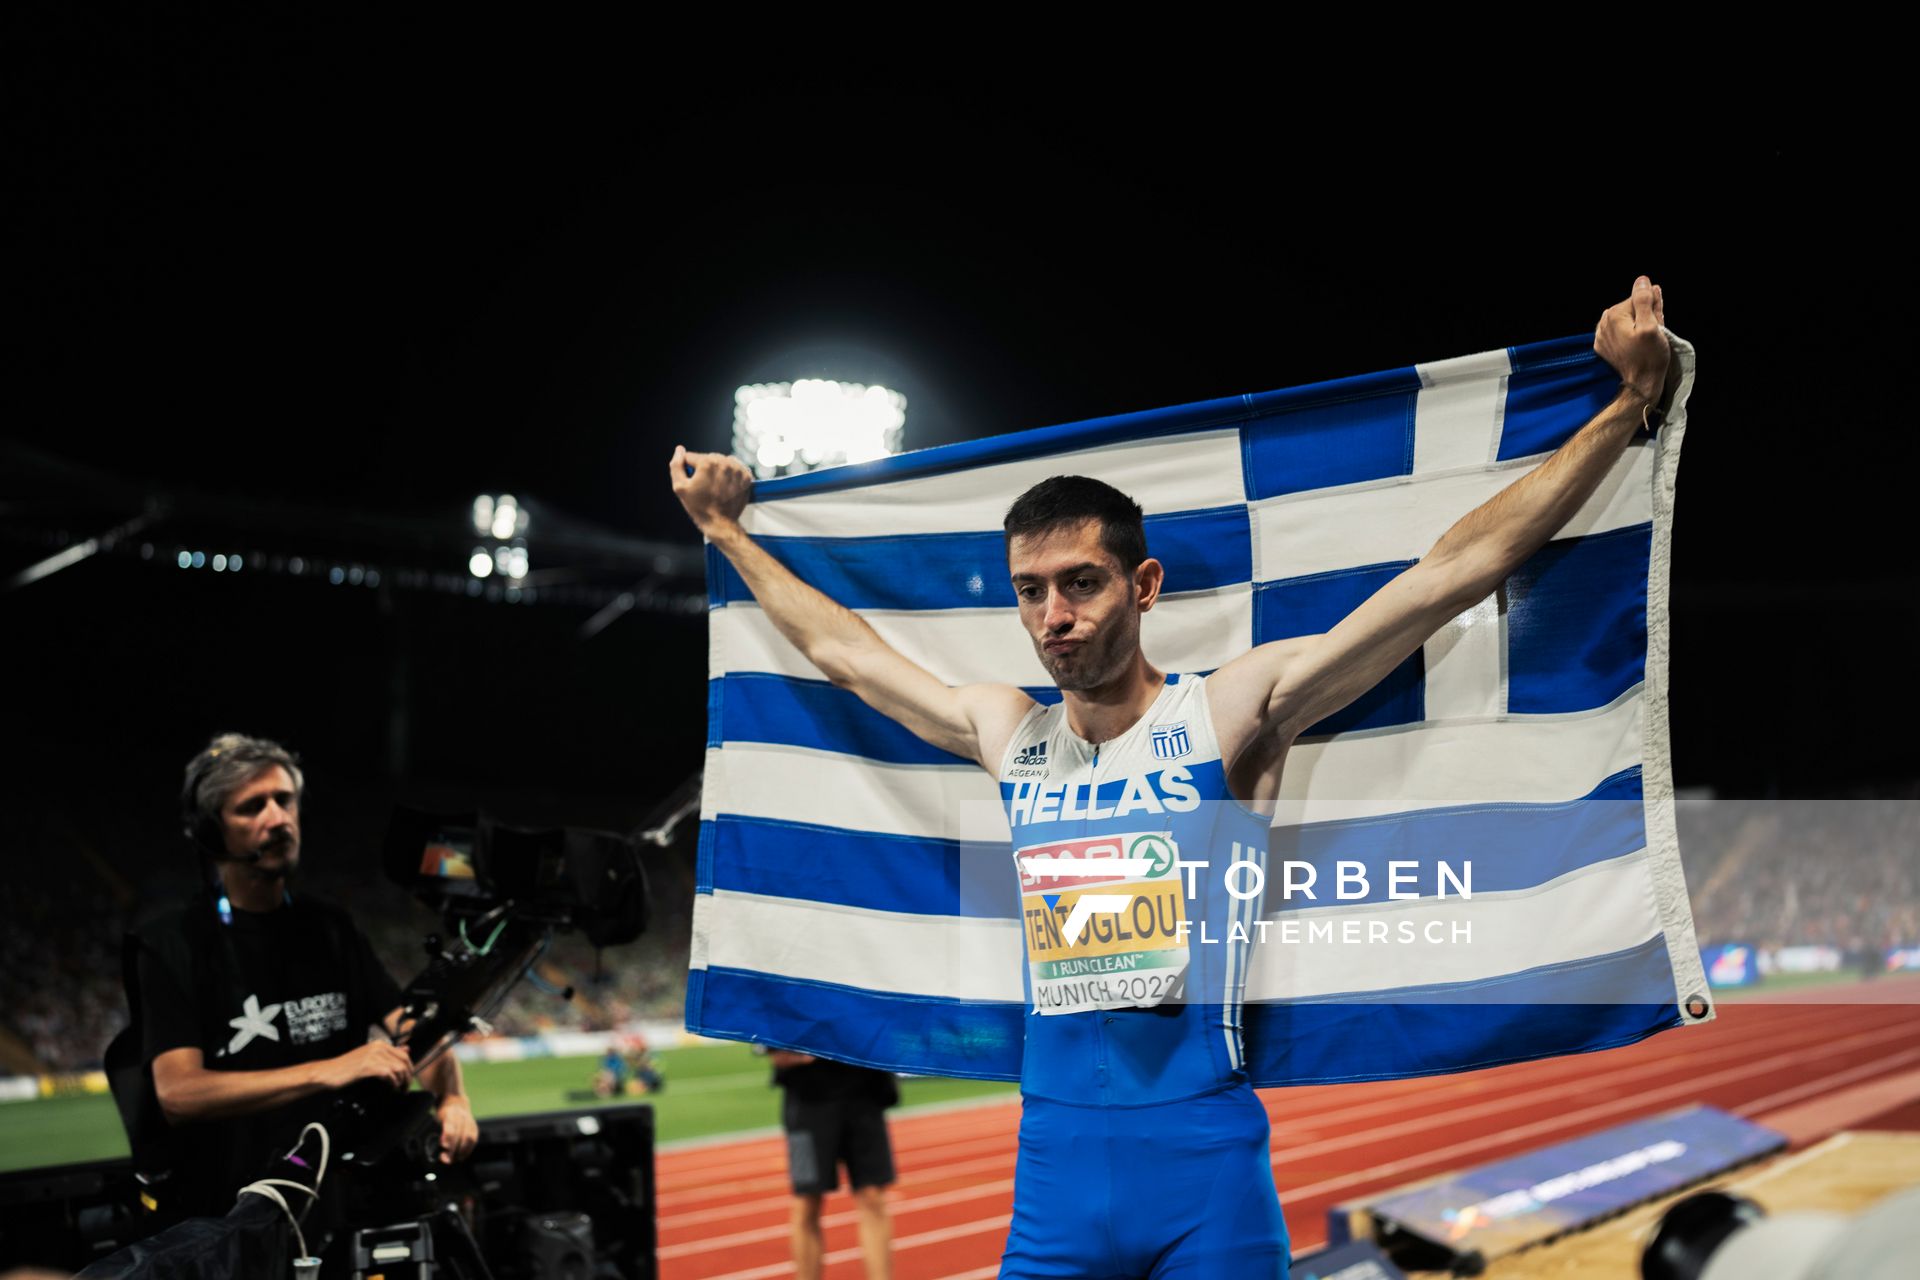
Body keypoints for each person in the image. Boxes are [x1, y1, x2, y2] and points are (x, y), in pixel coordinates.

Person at [671, 280, 1674, 1278]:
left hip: (1204, 1168)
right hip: (1054, 1169)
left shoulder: (1230, 711)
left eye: (1081, 581)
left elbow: (1452, 573)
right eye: (1031, 590)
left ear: (1142, 585)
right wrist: (727, 533)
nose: (1054, 615)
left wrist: (1627, 407)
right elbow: (849, 656)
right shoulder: (1007, 732)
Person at [120, 733, 480, 1219]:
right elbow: (179, 1094)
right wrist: (331, 1069)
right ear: (211, 831)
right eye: (252, 807)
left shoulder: (330, 928)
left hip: (339, 1203)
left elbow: (413, 1029)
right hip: (230, 1218)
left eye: (284, 800)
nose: (278, 818)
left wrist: (452, 1096)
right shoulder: (171, 942)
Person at [768, 1049, 897, 1280]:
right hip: (806, 1101)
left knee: (873, 1196)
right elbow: (775, 1042)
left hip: (865, 1093)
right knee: (806, 1201)